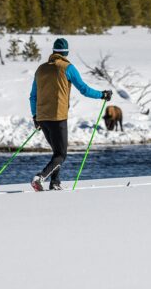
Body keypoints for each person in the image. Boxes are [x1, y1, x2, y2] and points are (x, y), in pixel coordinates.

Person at [29, 38, 111, 191]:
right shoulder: (68, 68)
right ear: (66, 53)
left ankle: (55, 183)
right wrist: (102, 95)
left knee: (57, 153)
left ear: (53, 51)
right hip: (58, 117)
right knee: (61, 154)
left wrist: (35, 116)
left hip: (42, 117)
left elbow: (33, 96)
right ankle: (39, 177)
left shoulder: (40, 69)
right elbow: (84, 90)